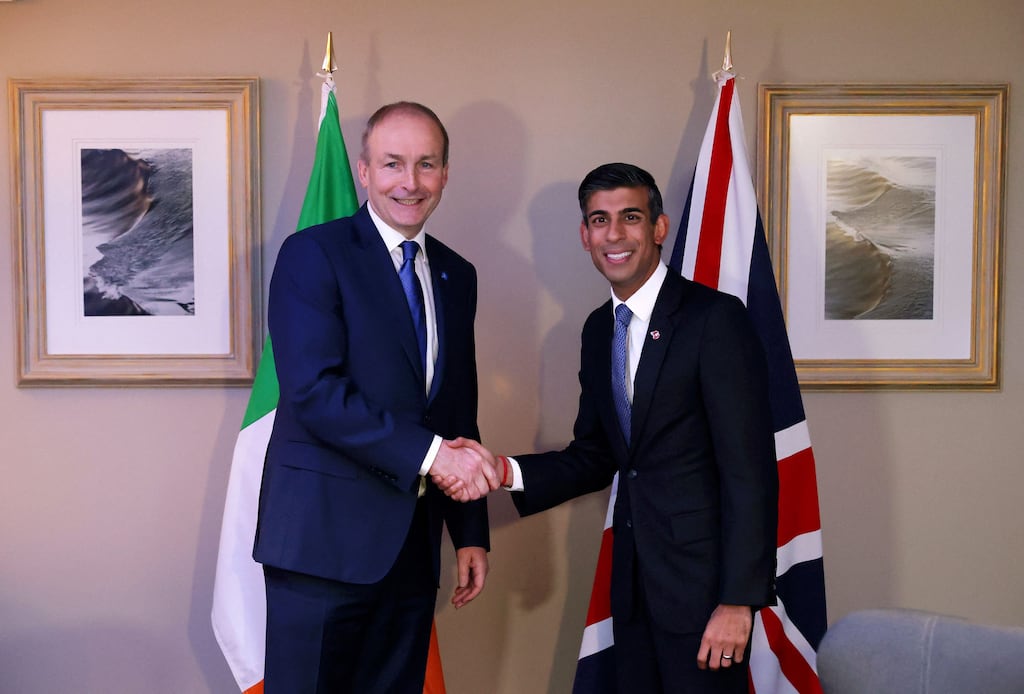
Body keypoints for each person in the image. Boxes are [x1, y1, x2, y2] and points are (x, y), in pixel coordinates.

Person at [446, 162, 778, 692]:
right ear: (585, 236)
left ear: (658, 228)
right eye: (599, 221)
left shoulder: (715, 319)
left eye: (630, 217)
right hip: (633, 588)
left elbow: (751, 471)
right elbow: (597, 455)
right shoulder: (599, 330)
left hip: (706, 594)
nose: (614, 234)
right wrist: (504, 470)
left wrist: (738, 601)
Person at [253, 101, 499, 694]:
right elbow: (314, 393)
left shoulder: (456, 274)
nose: (409, 183)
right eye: (392, 164)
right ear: (363, 171)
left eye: (426, 165)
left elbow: (455, 411)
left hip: (411, 551)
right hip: (320, 545)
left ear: (445, 173)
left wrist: (468, 530)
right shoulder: (313, 253)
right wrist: (434, 457)